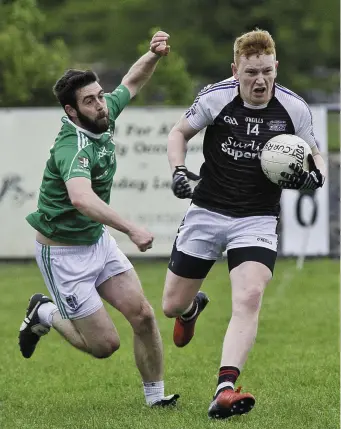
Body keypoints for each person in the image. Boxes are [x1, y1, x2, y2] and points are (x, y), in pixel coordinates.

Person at [162, 28, 325, 419]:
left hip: (257, 217)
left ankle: (225, 389)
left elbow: (316, 156)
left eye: (267, 71)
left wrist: (312, 177)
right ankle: (190, 310)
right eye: (251, 72)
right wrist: (178, 170)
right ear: (235, 69)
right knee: (171, 305)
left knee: (250, 296)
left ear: (276, 67)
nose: (260, 81)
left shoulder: (293, 108)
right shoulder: (216, 97)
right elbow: (178, 133)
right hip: (207, 210)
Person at [18, 30, 179, 408]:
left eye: (99, 95)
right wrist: (131, 228)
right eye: (89, 101)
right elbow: (81, 198)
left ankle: (156, 400)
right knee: (105, 346)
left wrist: (152, 54)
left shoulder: (101, 113)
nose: (101, 104)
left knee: (143, 315)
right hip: (63, 257)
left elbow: (132, 82)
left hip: (96, 243)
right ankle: (43, 311)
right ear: (71, 111)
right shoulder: (71, 146)